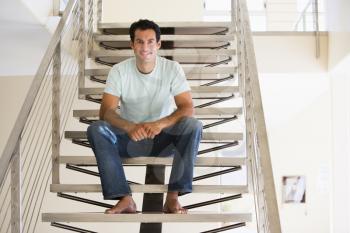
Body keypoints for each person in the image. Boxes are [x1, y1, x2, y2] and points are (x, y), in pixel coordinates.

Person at [87, 19, 203, 214]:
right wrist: (129, 127)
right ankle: (125, 199)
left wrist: (160, 124)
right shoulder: (119, 71)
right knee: (96, 129)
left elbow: (187, 107)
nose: (145, 47)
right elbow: (106, 112)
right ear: (132, 44)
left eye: (150, 41)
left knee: (193, 125)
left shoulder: (172, 68)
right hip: (130, 139)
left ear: (158, 44)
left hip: (164, 139)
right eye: (139, 41)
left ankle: (173, 197)